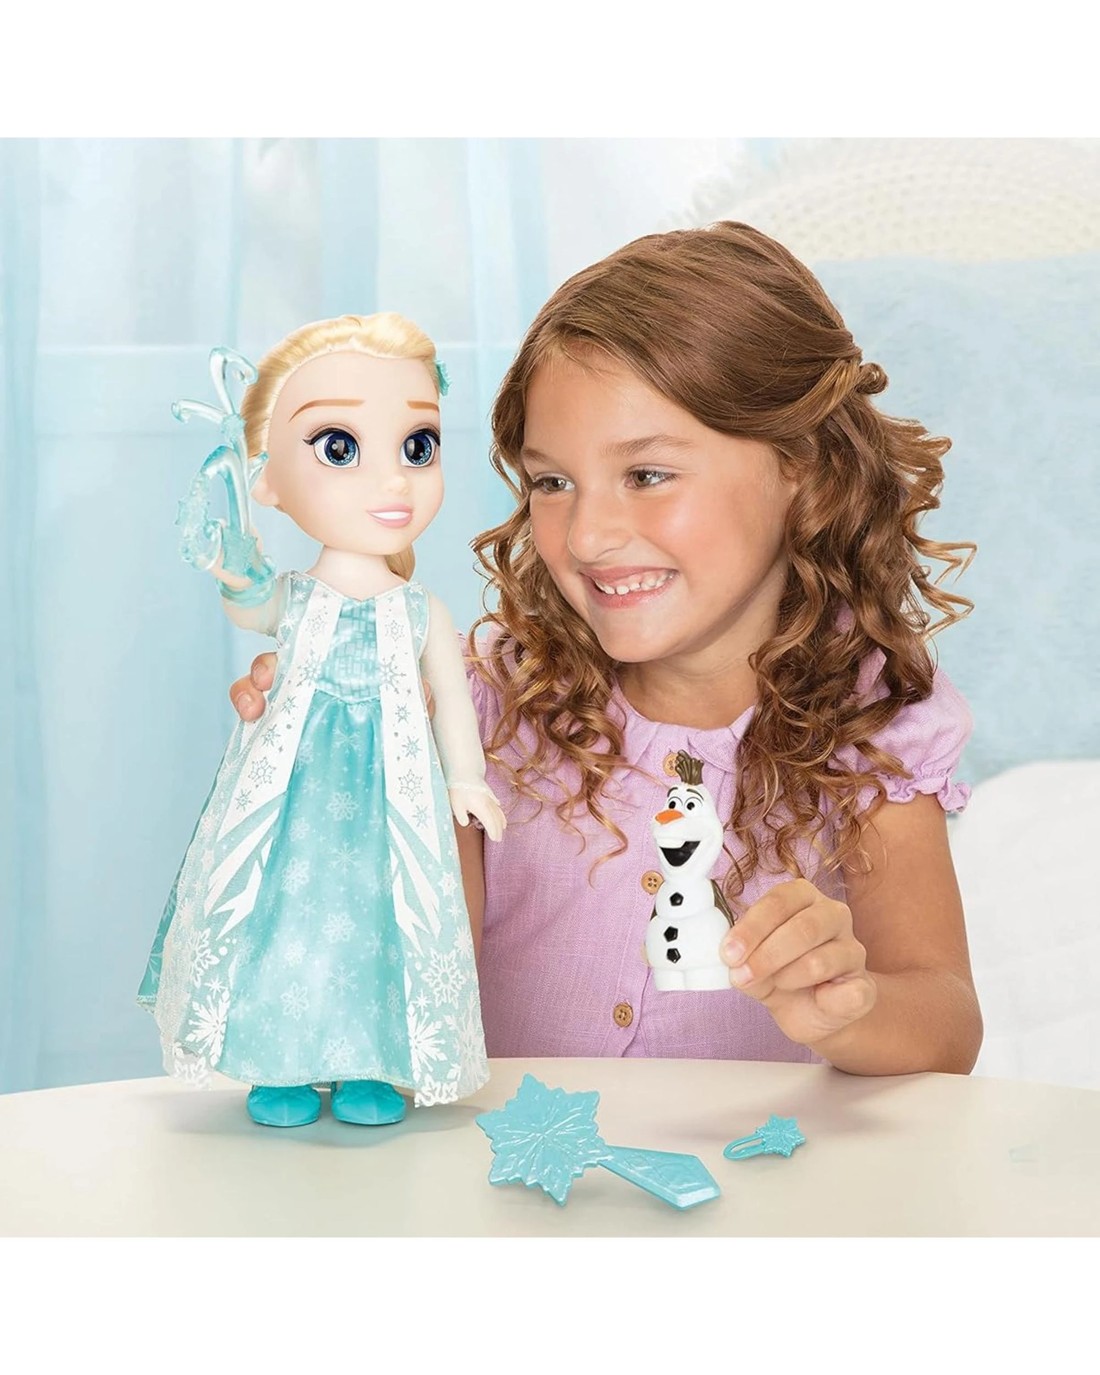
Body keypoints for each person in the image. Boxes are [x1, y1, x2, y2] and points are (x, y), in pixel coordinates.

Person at [229, 222, 983, 1076]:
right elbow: (413, 975)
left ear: (801, 463)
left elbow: (946, 1022)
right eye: (552, 482)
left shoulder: (873, 724)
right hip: (504, 1159)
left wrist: (853, 1006)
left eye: (647, 474)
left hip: (754, 1164)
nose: (586, 534)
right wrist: (357, 754)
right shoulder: (489, 710)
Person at [140, 313, 505, 1127]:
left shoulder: (422, 610)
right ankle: (281, 1061)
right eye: (340, 448)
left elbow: (452, 703)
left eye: (418, 446)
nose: (393, 481)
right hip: (291, 804)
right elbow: (252, 604)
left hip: (393, 809)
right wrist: (235, 568)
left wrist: (467, 779)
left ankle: (370, 1061)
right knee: (288, 923)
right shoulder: (298, 598)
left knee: (381, 927)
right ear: (268, 480)